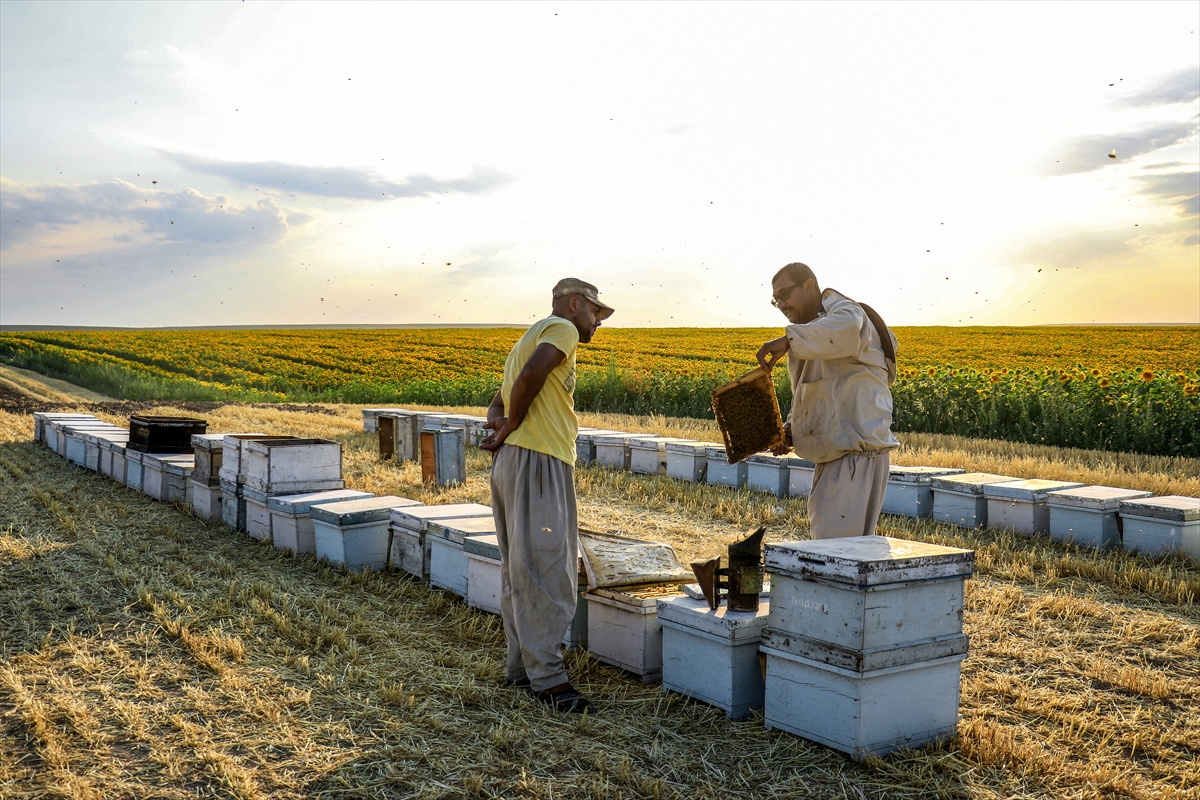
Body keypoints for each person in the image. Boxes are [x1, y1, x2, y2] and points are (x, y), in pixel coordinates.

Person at [480, 277, 613, 713]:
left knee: (520, 567)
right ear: (575, 305)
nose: (597, 323)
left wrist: (502, 422)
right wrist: (513, 424)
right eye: (595, 312)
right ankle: (550, 682)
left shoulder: (528, 335)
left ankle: (523, 668)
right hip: (540, 459)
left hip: (515, 461)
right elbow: (533, 376)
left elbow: (497, 400)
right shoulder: (562, 329)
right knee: (547, 568)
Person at [756, 262, 899, 539]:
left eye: (785, 294)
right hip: (840, 452)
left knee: (835, 550)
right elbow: (813, 392)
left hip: (855, 453)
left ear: (809, 285)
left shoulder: (845, 312)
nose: (782, 304)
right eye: (776, 299)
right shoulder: (813, 332)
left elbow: (843, 329)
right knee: (841, 551)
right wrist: (789, 431)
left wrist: (787, 340)